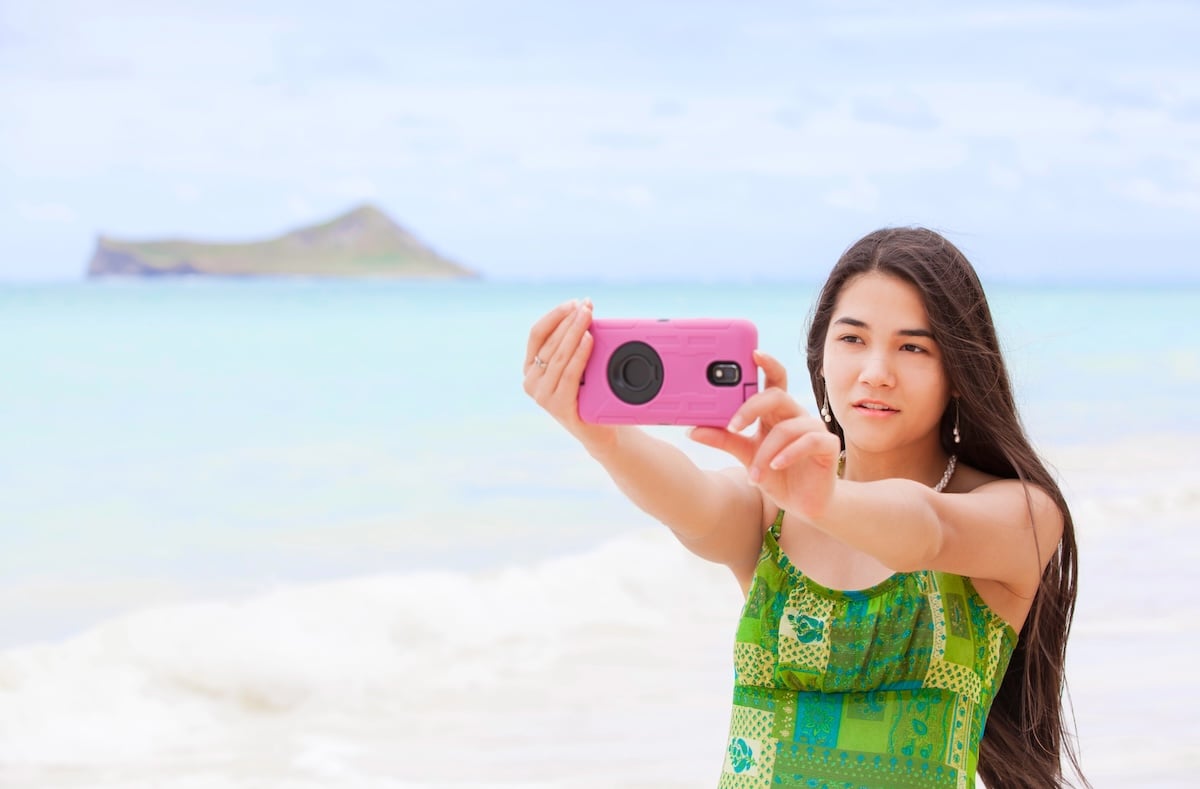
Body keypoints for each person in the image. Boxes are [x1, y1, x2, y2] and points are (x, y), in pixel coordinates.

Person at [522, 227, 1086, 789]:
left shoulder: (1022, 515)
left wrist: (826, 499)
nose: (876, 372)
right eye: (853, 340)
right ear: (819, 356)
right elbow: (691, 499)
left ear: (959, 373)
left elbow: (928, 528)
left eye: (913, 347)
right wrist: (598, 434)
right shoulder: (773, 511)